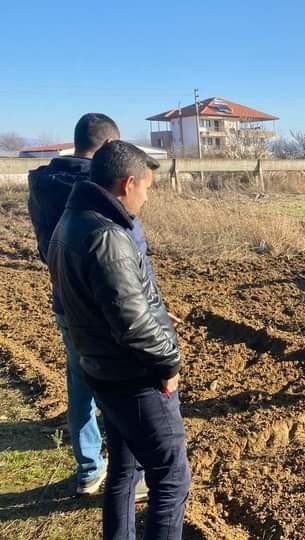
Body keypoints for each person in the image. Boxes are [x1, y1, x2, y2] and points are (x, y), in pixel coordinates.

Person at [47, 141, 190, 539]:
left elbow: (119, 299)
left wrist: (156, 309)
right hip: (133, 379)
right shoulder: (107, 235)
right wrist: (169, 363)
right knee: (172, 479)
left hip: (102, 370)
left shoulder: (71, 221)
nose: (147, 196)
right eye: (146, 187)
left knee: (124, 471)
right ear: (128, 184)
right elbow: (133, 324)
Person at [27, 113, 154, 497]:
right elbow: (128, 252)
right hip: (110, 303)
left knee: (80, 381)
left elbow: (45, 247)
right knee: (126, 386)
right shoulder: (100, 188)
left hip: (66, 298)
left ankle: (88, 469)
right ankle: (131, 473)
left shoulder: (43, 185)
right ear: (107, 148)